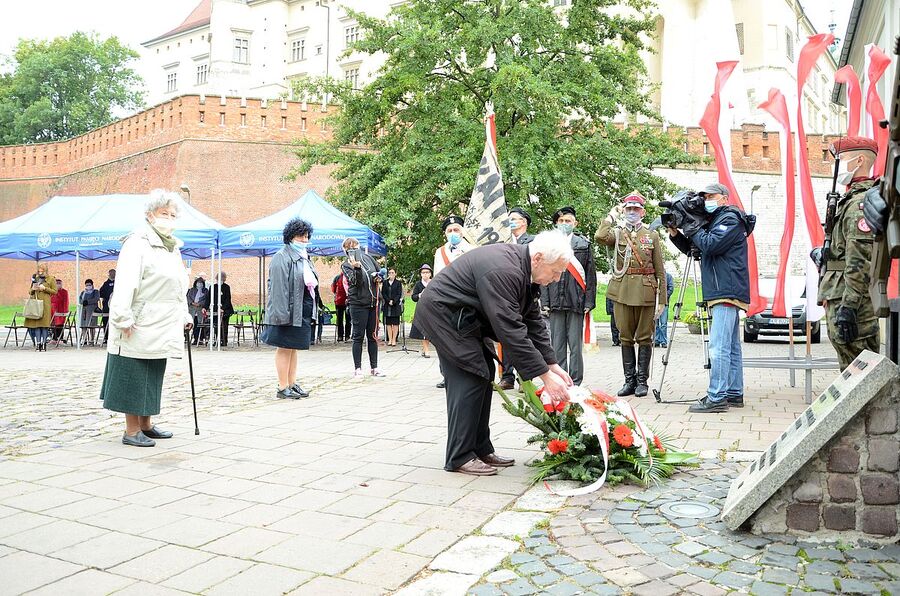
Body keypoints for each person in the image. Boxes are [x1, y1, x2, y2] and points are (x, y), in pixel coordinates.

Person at [415, 231, 575, 476]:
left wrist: (552, 365)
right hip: (444, 316)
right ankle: (460, 456)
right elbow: (510, 328)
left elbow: (532, 321)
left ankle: (479, 448)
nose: (556, 278)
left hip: (465, 318)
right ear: (539, 258)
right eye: (555, 272)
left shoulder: (525, 271)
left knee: (485, 371)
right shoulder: (504, 271)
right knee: (470, 374)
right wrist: (544, 377)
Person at [100, 190, 193, 447]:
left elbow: (178, 288)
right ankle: (131, 430)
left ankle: (146, 424)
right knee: (134, 373)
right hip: (138, 321)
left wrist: (184, 314)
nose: (169, 218)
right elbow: (126, 283)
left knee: (153, 373)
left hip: (162, 322)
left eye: (173, 214)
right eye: (164, 213)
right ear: (150, 215)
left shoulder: (172, 248)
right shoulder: (137, 243)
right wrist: (122, 317)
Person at [668, 183, 755, 413]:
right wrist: (676, 233)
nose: (706, 200)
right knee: (731, 346)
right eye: (704, 196)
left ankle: (717, 396)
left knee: (718, 347)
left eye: (711, 196)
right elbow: (696, 250)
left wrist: (692, 224)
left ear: (724, 198)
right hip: (724, 288)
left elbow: (710, 244)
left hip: (726, 289)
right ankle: (734, 393)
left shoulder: (730, 219)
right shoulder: (717, 221)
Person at [814, 136, 881, 371]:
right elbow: (844, 249)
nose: (836, 166)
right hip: (840, 293)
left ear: (859, 160)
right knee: (852, 371)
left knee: (861, 374)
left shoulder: (859, 204)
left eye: (841, 159)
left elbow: (859, 259)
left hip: (852, 300)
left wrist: (849, 307)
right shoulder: (850, 200)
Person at [595, 192, 666, 397]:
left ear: (642, 211)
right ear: (623, 211)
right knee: (625, 337)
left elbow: (659, 269)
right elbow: (600, 236)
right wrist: (610, 216)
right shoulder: (616, 234)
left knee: (644, 337)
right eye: (628, 209)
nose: (632, 212)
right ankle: (629, 381)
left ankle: (642, 381)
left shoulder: (651, 235)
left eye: (636, 209)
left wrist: (661, 300)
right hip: (622, 291)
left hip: (645, 291)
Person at [260, 217, 318, 399]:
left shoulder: (303, 257)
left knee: (293, 347)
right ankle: (282, 386)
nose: (304, 240)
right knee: (284, 348)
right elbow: (278, 289)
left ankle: (292, 383)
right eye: (301, 236)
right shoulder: (281, 257)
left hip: (301, 309)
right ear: (291, 236)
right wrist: (281, 315)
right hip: (286, 311)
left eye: (307, 236)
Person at [541, 206, 597, 386]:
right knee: (556, 346)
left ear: (575, 223)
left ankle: (575, 381)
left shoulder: (583, 245)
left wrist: (589, 301)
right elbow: (543, 273)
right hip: (555, 301)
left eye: (568, 221)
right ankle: (559, 379)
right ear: (556, 223)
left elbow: (590, 275)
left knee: (575, 346)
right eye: (561, 221)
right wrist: (545, 300)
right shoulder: (549, 245)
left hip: (576, 301)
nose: (564, 224)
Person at [433, 215, 473, 388]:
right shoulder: (440, 252)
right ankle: (447, 374)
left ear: (462, 231)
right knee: (445, 339)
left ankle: (469, 371)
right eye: (449, 231)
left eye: (456, 229)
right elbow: (437, 277)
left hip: (467, 301)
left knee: (467, 338)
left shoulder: (471, 249)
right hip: (447, 301)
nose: (453, 233)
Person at [499, 207, 535, 390]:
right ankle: (507, 376)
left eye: (514, 219)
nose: (511, 221)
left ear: (524, 222)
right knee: (506, 334)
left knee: (524, 336)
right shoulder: (504, 241)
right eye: (509, 218)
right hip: (506, 293)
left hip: (525, 293)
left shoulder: (532, 242)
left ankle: (525, 378)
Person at [341, 237, 386, 377]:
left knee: (372, 336)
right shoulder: (346, 265)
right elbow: (356, 282)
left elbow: (380, 272)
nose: (354, 250)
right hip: (358, 304)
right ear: (346, 251)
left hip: (373, 302)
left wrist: (379, 277)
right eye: (350, 248)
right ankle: (358, 368)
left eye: (355, 246)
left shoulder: (368, 258)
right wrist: (357, 267)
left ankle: (374, 367)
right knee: (358, 336)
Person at [25, 263, 57, 351]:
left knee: (44, 325)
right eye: (39, 270)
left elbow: (55, 291)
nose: (40, 272)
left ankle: (44, 344)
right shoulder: (36, 278)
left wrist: (45, 288)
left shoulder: (51, 279)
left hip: (45, 304)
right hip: (36, 304)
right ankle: (38, 344)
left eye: (42, 271)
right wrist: (33, 289)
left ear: (46, 270)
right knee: (37, 325)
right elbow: (29, 291)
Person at [409, 264, 432, 357]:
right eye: (423, 272)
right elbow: (413, 297)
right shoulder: (418, 284)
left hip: (432, 309)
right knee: (424, 330)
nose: (425, 274)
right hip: (422, 309)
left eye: (427, 272)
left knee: (430, 330)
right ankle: (426, 350)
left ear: (430, 274)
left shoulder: (434, 282)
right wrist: (419, 295)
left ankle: (425, 348)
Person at [211, 271, 235, 347]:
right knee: (216, 326)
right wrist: (205, 307)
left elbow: (228, 299)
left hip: (225, 310)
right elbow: (209, 298)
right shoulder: (212, 287)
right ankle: (216, 340)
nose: (220, 279)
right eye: (219, 278)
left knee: (224, 326)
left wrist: (222, 308)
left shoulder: (227, 287)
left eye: (222, 278)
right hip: (215, 310)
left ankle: (224, 340)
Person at [382, 268, 404, 346]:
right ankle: (390, 339)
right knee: (388, 323)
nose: (391, 274)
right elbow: (383, 293)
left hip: (395, 305)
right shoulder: (385, 283)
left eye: (392, 272)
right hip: (387, 305)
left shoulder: (398, 283)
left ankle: (394, 339)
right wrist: (389, 301)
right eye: (390, 273)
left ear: (395, 274)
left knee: (395, 323)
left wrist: (393, 301)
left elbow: (399, 293)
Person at [186, 277, 210, 345]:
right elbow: (188, 297)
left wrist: (200, 304)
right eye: (198, 282)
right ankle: (195, 339)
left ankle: (200, 339)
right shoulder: (191, 290)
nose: (199, 284)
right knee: (194, 324)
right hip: (192, 310)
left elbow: (206, 299)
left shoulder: (205, 291)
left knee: (200, 325)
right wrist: (192, 303)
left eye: (201, 283)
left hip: (200, 310)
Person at [654, 272, 675, 347]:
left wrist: (663, 296)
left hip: (664, 303)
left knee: (663, 323)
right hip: (654, 303)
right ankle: (656, 340)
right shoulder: (654, 275)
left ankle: (663, 341)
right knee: (655, 323)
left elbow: (671, 288)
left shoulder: (668, 276)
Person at [79, 278, 101, 344]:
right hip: (84, 311)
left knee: (92, 326)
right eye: (87, 285)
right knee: (83, 325)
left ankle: (92, 340)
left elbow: (96, 299)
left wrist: (88, 302)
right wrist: (83, 302)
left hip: (92, 311)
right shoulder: (83, 292)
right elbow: (80, 300)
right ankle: (84, 339)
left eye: (89, 285)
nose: (88, 286)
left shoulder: (95, 292)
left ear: (92, 285)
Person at [331, 272, 351, 341]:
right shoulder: (338, 277)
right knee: (342, 319)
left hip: (346, 301)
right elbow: (333, 288)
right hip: (340, 301)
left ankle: (345, 336)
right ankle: (343, 336)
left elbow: (333, 288)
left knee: (347, 319)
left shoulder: (348, 277)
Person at [50, 278, 69, 344]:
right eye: (56, 284)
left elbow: (65, 301)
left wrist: (65, 311)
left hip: (61, 310)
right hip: (52, 310)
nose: (58, 285)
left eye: (59, 283)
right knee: (53, 324)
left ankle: (60, 338)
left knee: (60, 324)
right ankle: (54, 338)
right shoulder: (52, 291)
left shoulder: (64, 292)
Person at [98, 269, 116, 340]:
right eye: (111, 273)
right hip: (106, 307)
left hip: (116, 307)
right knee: (105, 321)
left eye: (114, 273)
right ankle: (106, 337)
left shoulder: (119, 283)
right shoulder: (106, 284)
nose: (112, 275)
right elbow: (101, 293)